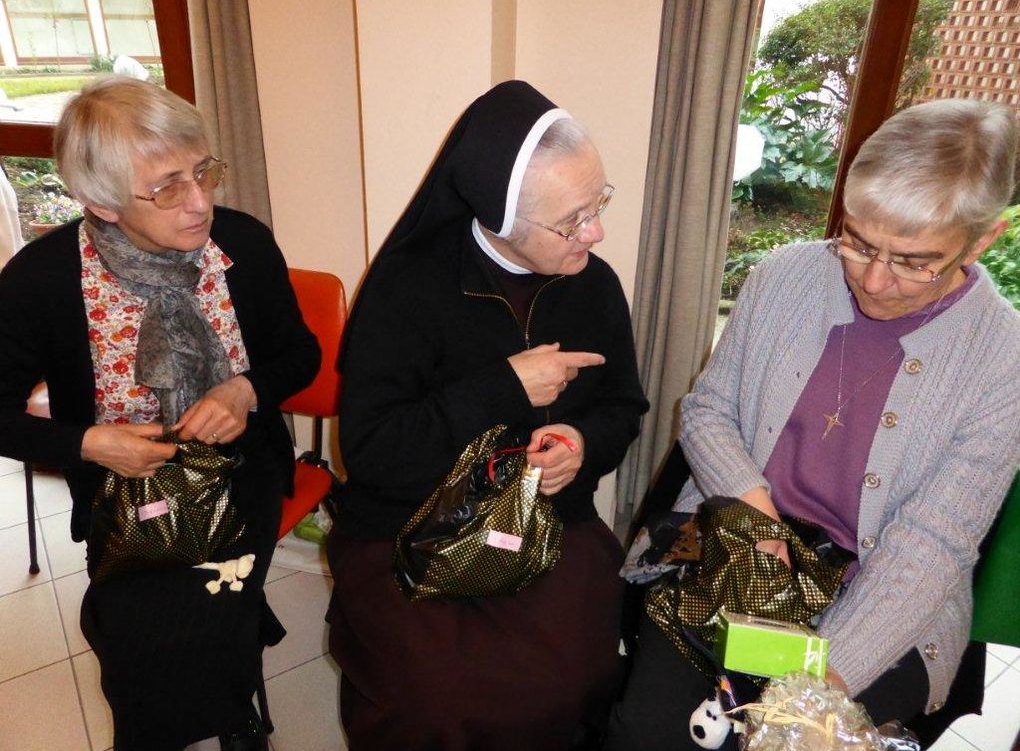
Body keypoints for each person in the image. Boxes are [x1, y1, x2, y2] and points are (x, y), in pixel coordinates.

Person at [605, 98, 1020, 750]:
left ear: (983, 239)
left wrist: (815, 681)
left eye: (914, 260)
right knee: (650, 734)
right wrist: (755, 515)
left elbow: (932, 547)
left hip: (884, 596)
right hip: (734, 552)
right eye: (858, 240)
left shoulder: (1003, 359)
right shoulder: (785, 277)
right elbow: (709, 411)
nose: (875, 280)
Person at [326, 80, 649, 750]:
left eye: (599, 203)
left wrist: (581, 443)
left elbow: (624, 406)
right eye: (572, 220)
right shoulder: (406, 288)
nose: (596, 232)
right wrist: (503, 387)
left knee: (573, 674)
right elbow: (373, 451)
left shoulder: (595, 285)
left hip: (548, 519)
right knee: (437, 700)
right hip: (409, 527)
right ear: (501, 217)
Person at [0, 76, 319, 750]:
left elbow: (301, 355)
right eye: (167, 185)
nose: (200, 201)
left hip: (239, 479)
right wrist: (90, 443)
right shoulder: (43, 278)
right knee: (141, 646)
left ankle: (236, 715)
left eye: (202, 170)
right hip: (123, 497)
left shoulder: (244, 246)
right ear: (100, 202)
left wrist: (245, 391)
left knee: (215, 611)